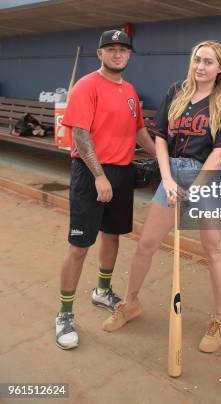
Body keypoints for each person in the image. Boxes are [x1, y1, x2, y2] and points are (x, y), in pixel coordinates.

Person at [102, 40, 221, 353]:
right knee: (146, 244)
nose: (201, 67)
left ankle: (220, 321)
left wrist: (197, 186)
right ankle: (131, 302)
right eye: (197, 60)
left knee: (213, 250)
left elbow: (219, 153)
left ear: (220, 68)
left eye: (208, 62)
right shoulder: (176, 91)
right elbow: (160, 138)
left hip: (207, 176)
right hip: (171, 173)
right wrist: (166, 177)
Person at [55, 29, 156, 350]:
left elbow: (138, 130)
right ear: (100, 54)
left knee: (112, 235)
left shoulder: (129, 90)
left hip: (122, 171)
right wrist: (99, 176)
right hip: (90, 171)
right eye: (110, 49)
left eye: (123, 49)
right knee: (79, 244)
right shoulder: (87, 85)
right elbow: (81, 135)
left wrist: (162, 158)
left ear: (129, 55)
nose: (117, 54)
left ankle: (102, 290)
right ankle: (65, 313)